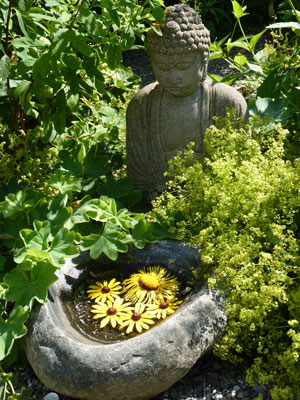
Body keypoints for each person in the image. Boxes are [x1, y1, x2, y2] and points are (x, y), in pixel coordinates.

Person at [126, 4, 248, 198]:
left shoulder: (226, 102)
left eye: (183, 66)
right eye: (163, 67)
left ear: (204, 61)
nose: (173, 77)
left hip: (214, 200)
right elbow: (138, 170)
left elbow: (241, 165)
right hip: (157, 198)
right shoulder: (142, 105)